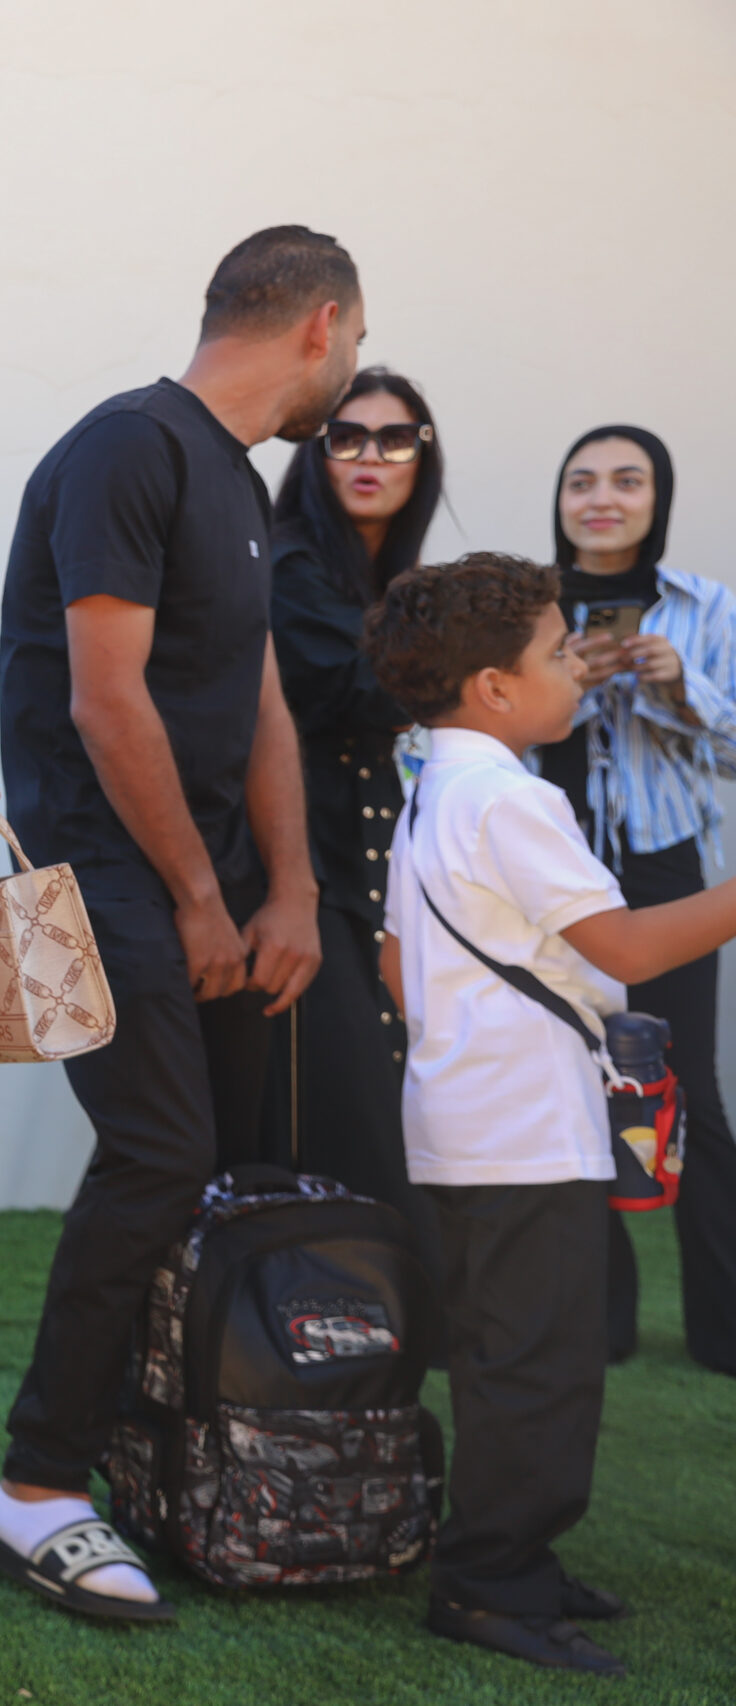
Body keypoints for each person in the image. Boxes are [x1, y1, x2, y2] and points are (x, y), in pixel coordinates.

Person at [0, 226, 353, 1619]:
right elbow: (105, 699)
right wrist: (201, 896)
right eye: (356, 344)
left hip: (212, 882)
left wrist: (290, 887)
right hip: (105, 875)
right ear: (321, 326)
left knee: (215, 1166)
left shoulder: (237, 480)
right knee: (158, 1154)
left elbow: (257, 700)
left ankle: (181, 1454)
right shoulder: (128, 448)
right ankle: (37, 1485)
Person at [369, 552, 736, 1675]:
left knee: (502, 1357)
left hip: (462, 1121)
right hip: (528, 1129)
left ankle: (509, 1553)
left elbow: (394, 963)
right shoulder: (513, 799)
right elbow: (624, 949)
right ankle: (491, 1584)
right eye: (558, 651)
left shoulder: (432, 786)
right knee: (542, 1368)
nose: (577, 667)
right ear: (493, 686)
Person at [534, 425, 736, 1372]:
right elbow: (487, 729)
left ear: (657, 499)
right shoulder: (525, 606)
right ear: (561, 500)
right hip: (548, 871)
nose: (602, 499)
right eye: (582, 482)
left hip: (663, 866)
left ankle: (723, 1328)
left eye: (627, 480)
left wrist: (682, 687)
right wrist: (568, 682)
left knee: (691, 1088)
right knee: (574, 1086)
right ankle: (602, 1322)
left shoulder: (706, 605)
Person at [261, 368, 445, 1264]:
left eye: (395, 438)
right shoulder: (289, 559)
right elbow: (352, 692)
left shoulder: (393, 580)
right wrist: (467, 668)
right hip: (304, 871)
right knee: (349, 1116)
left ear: (422, 456)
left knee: (387, 1102)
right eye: (347, 437)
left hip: (380, 867)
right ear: (317, 452)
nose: (371, 456)